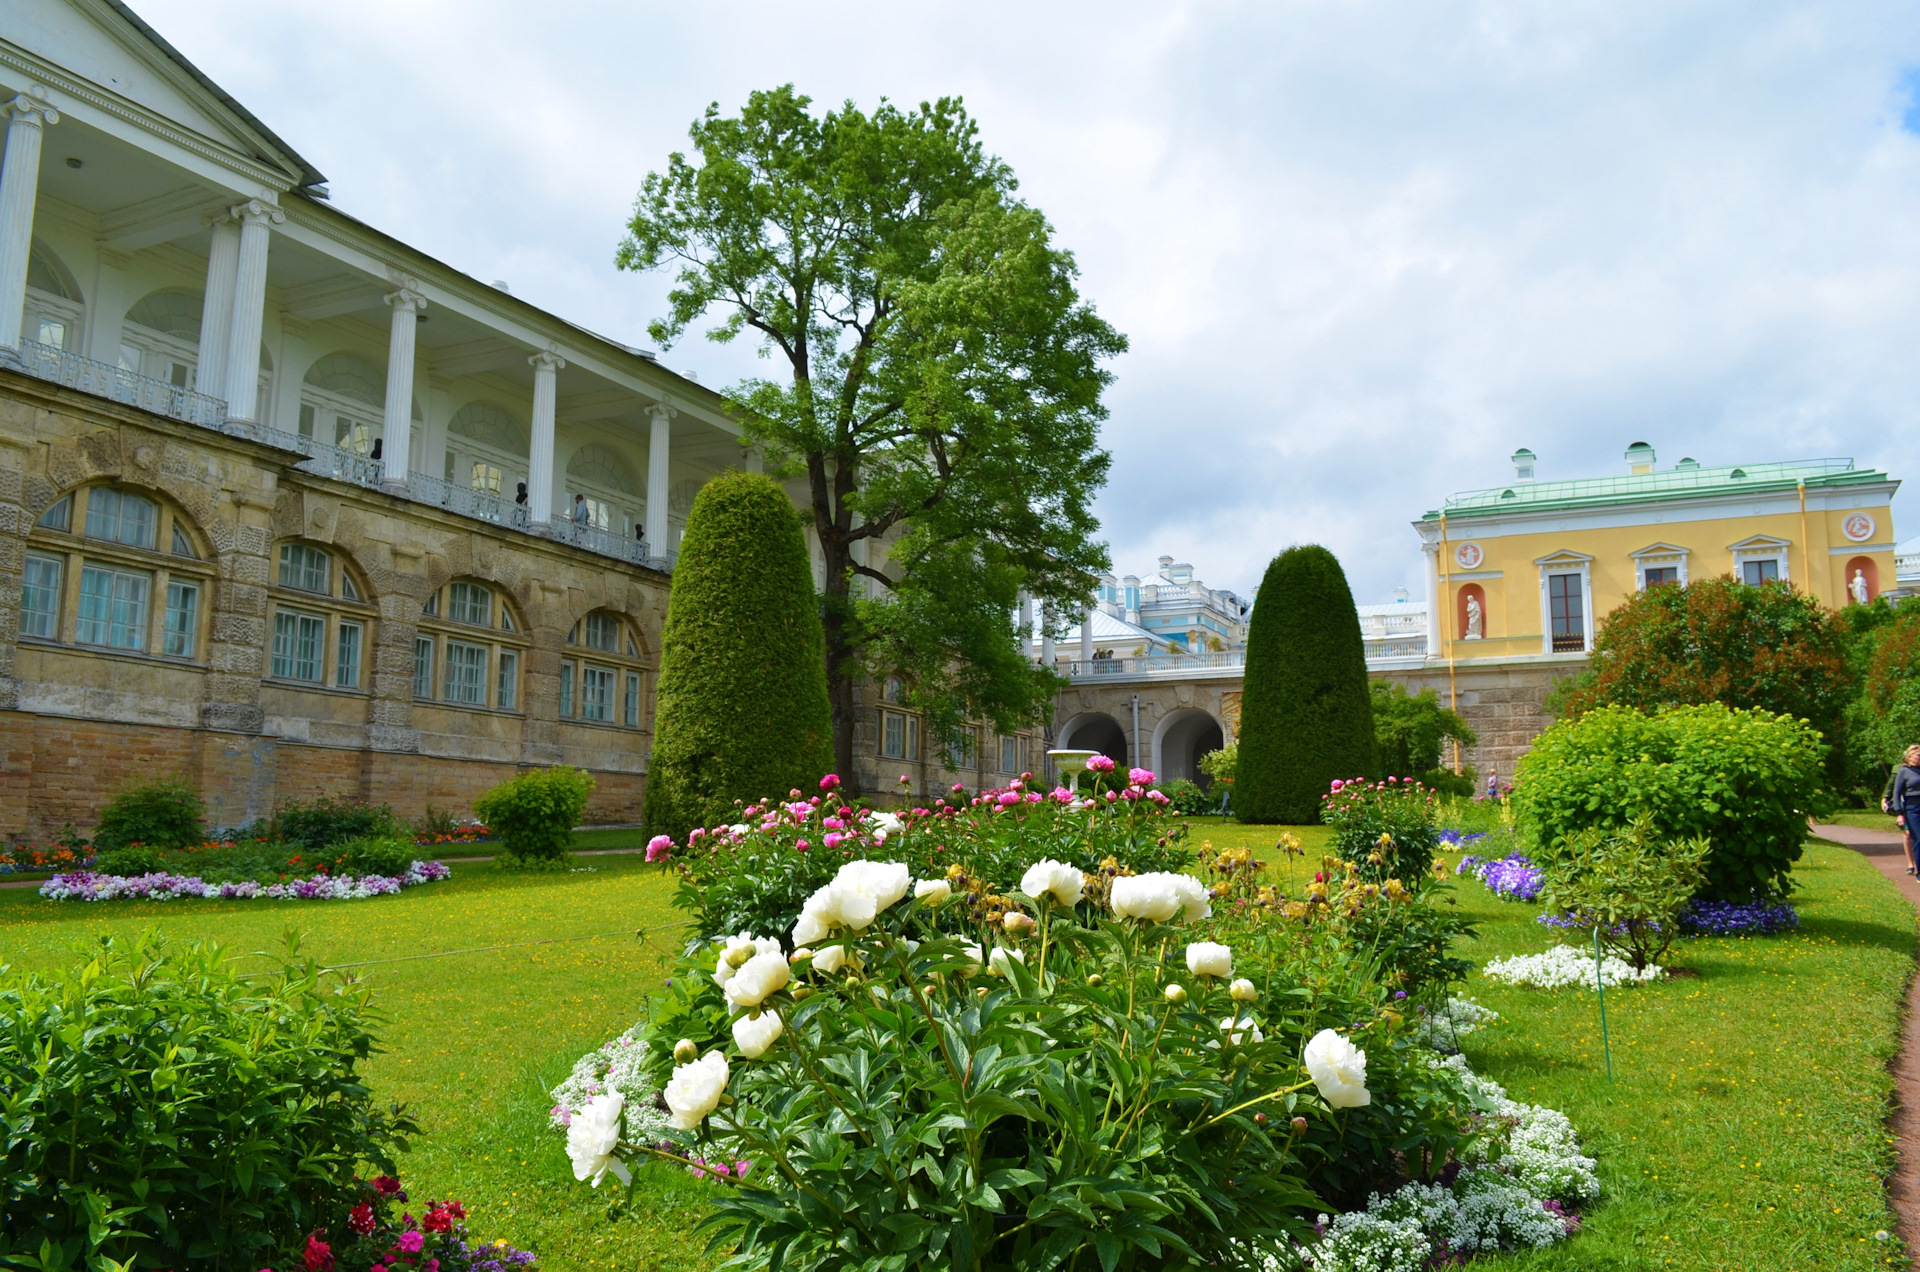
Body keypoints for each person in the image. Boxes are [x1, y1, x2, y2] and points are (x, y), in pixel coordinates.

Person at [1889, 745, 1920, 875]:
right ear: (1910, 756)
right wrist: (1899, 814)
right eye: (1918, 755)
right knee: (1918, 838)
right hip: (1912, 808)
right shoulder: (1904, 771)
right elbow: (1896, 794)